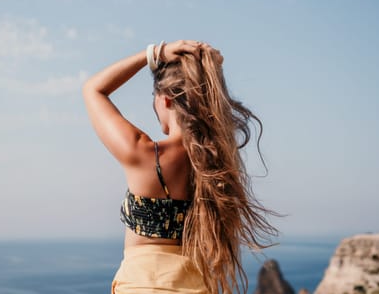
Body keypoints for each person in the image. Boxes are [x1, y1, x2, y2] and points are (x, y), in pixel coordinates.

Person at [82, 40, 279, 294]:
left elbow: (93, 89)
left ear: (165, 99)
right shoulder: (216, 164)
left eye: (153, 97)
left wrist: (153, 53)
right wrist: (211, 75)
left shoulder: (143, 155)